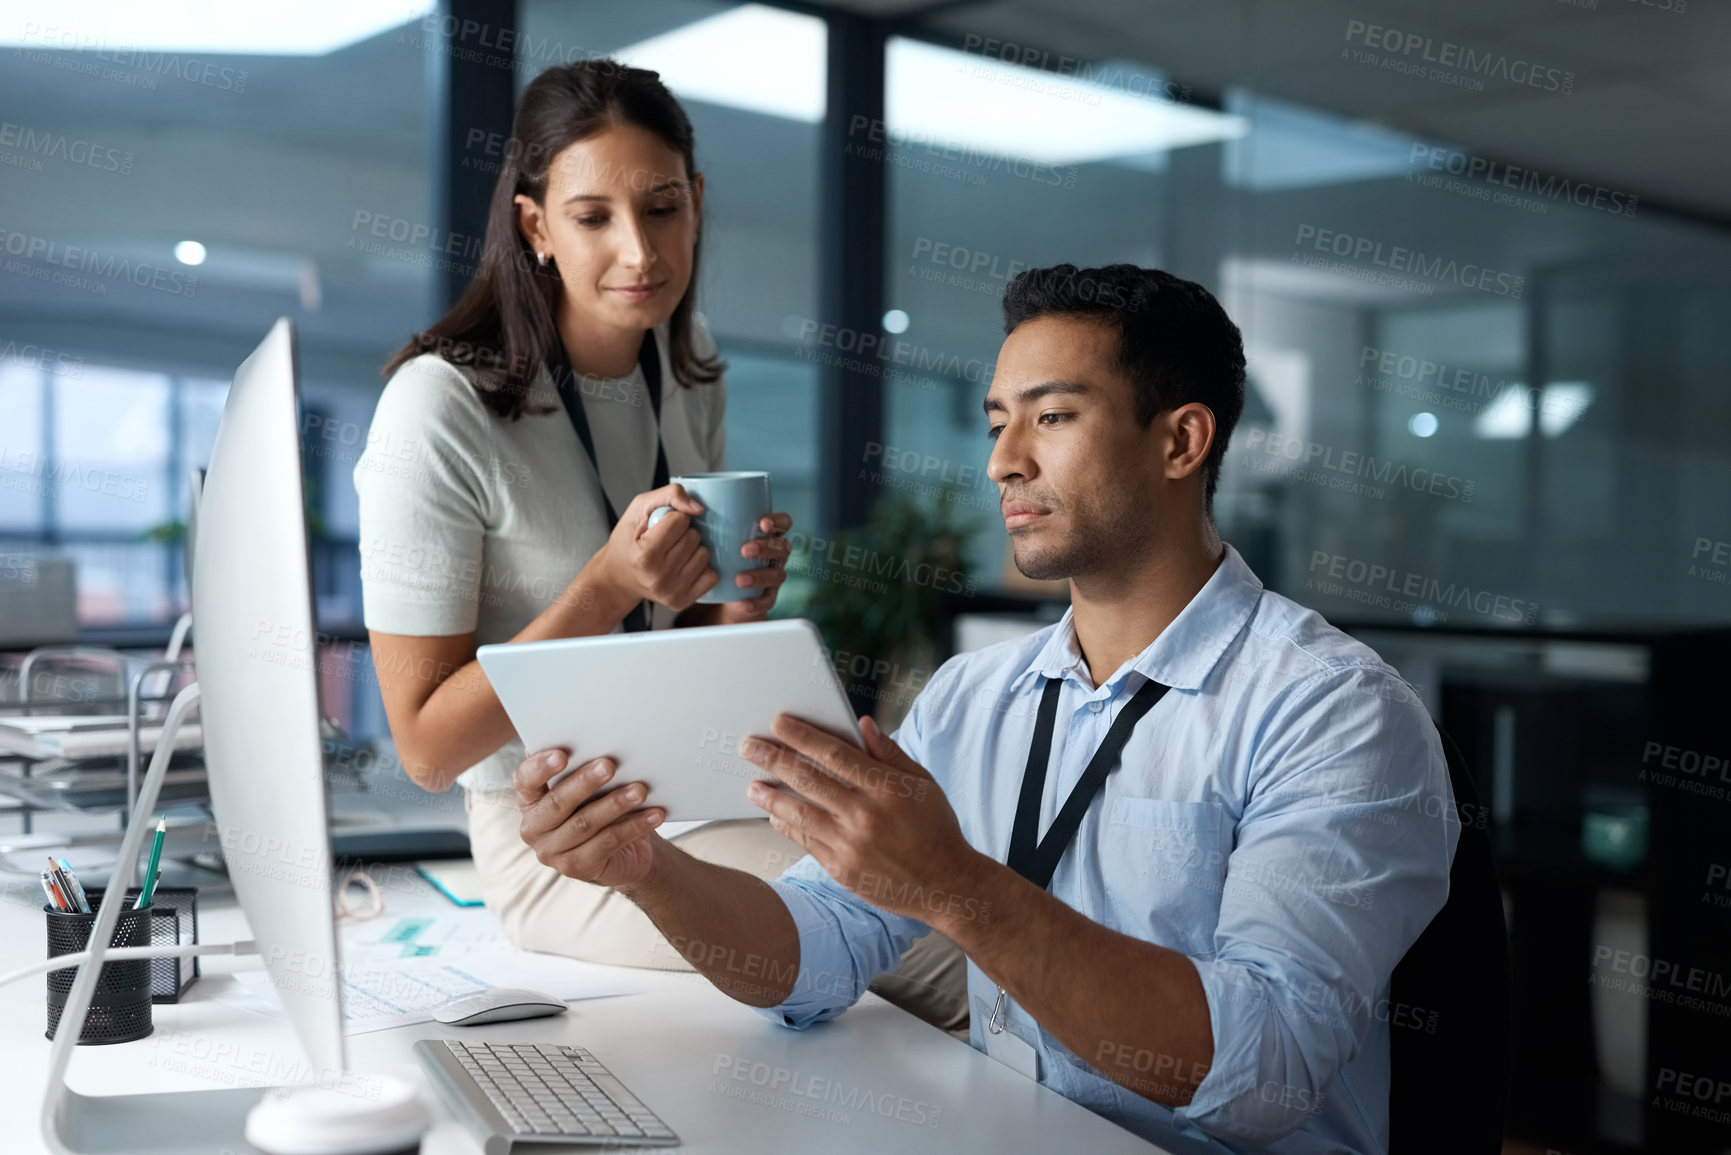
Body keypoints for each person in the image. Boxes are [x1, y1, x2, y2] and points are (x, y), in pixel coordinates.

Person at [509, 263, 1460, 1153]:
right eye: (997, 420)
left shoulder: (1336, 712)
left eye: (1050, 417)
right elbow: (815, 953)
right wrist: (647, 870)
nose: (1002, 459)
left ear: (1180, 440)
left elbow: (1267, 1069)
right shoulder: (974, 698)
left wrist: (950, 884)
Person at [354, 60, 965, 1033]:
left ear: (698, 204)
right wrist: (603, 585)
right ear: (534, 226)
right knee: (930, 926)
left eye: (663, 207)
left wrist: (736, 605)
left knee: (952, 861)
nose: (639, 250)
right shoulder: (439, 407)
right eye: (593, 216)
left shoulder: (687, 370)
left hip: (693, 776)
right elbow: (427, 747)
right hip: (563, 831)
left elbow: (679, 646)